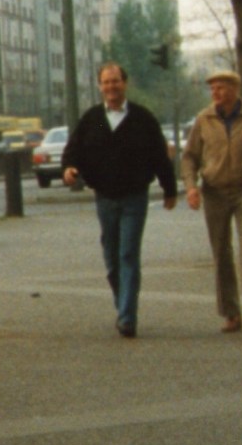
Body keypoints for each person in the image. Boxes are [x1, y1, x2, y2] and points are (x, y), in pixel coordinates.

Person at [62, 62, 177, 339]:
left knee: (128, 254)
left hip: (134, 197)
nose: (111, 87)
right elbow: (73, 150)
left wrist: (169, 189)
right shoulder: (93, 119)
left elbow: (160, 156)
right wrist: (69, 168)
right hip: (105, 197)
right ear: (100, 86)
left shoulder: (142, 118)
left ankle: (127, 317)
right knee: (112, 258)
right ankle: (122, 301)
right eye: (106, 82)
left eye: (115, 81)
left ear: (125, 83)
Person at [182, 70, 242, 337]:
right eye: (213, 88)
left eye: (221, 88)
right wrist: (191, 187)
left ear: (235, 89)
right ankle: (230, 312)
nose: (216, 93)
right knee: (221, 251)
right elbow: (189, 157)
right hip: (214, 192)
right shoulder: (204, 119)